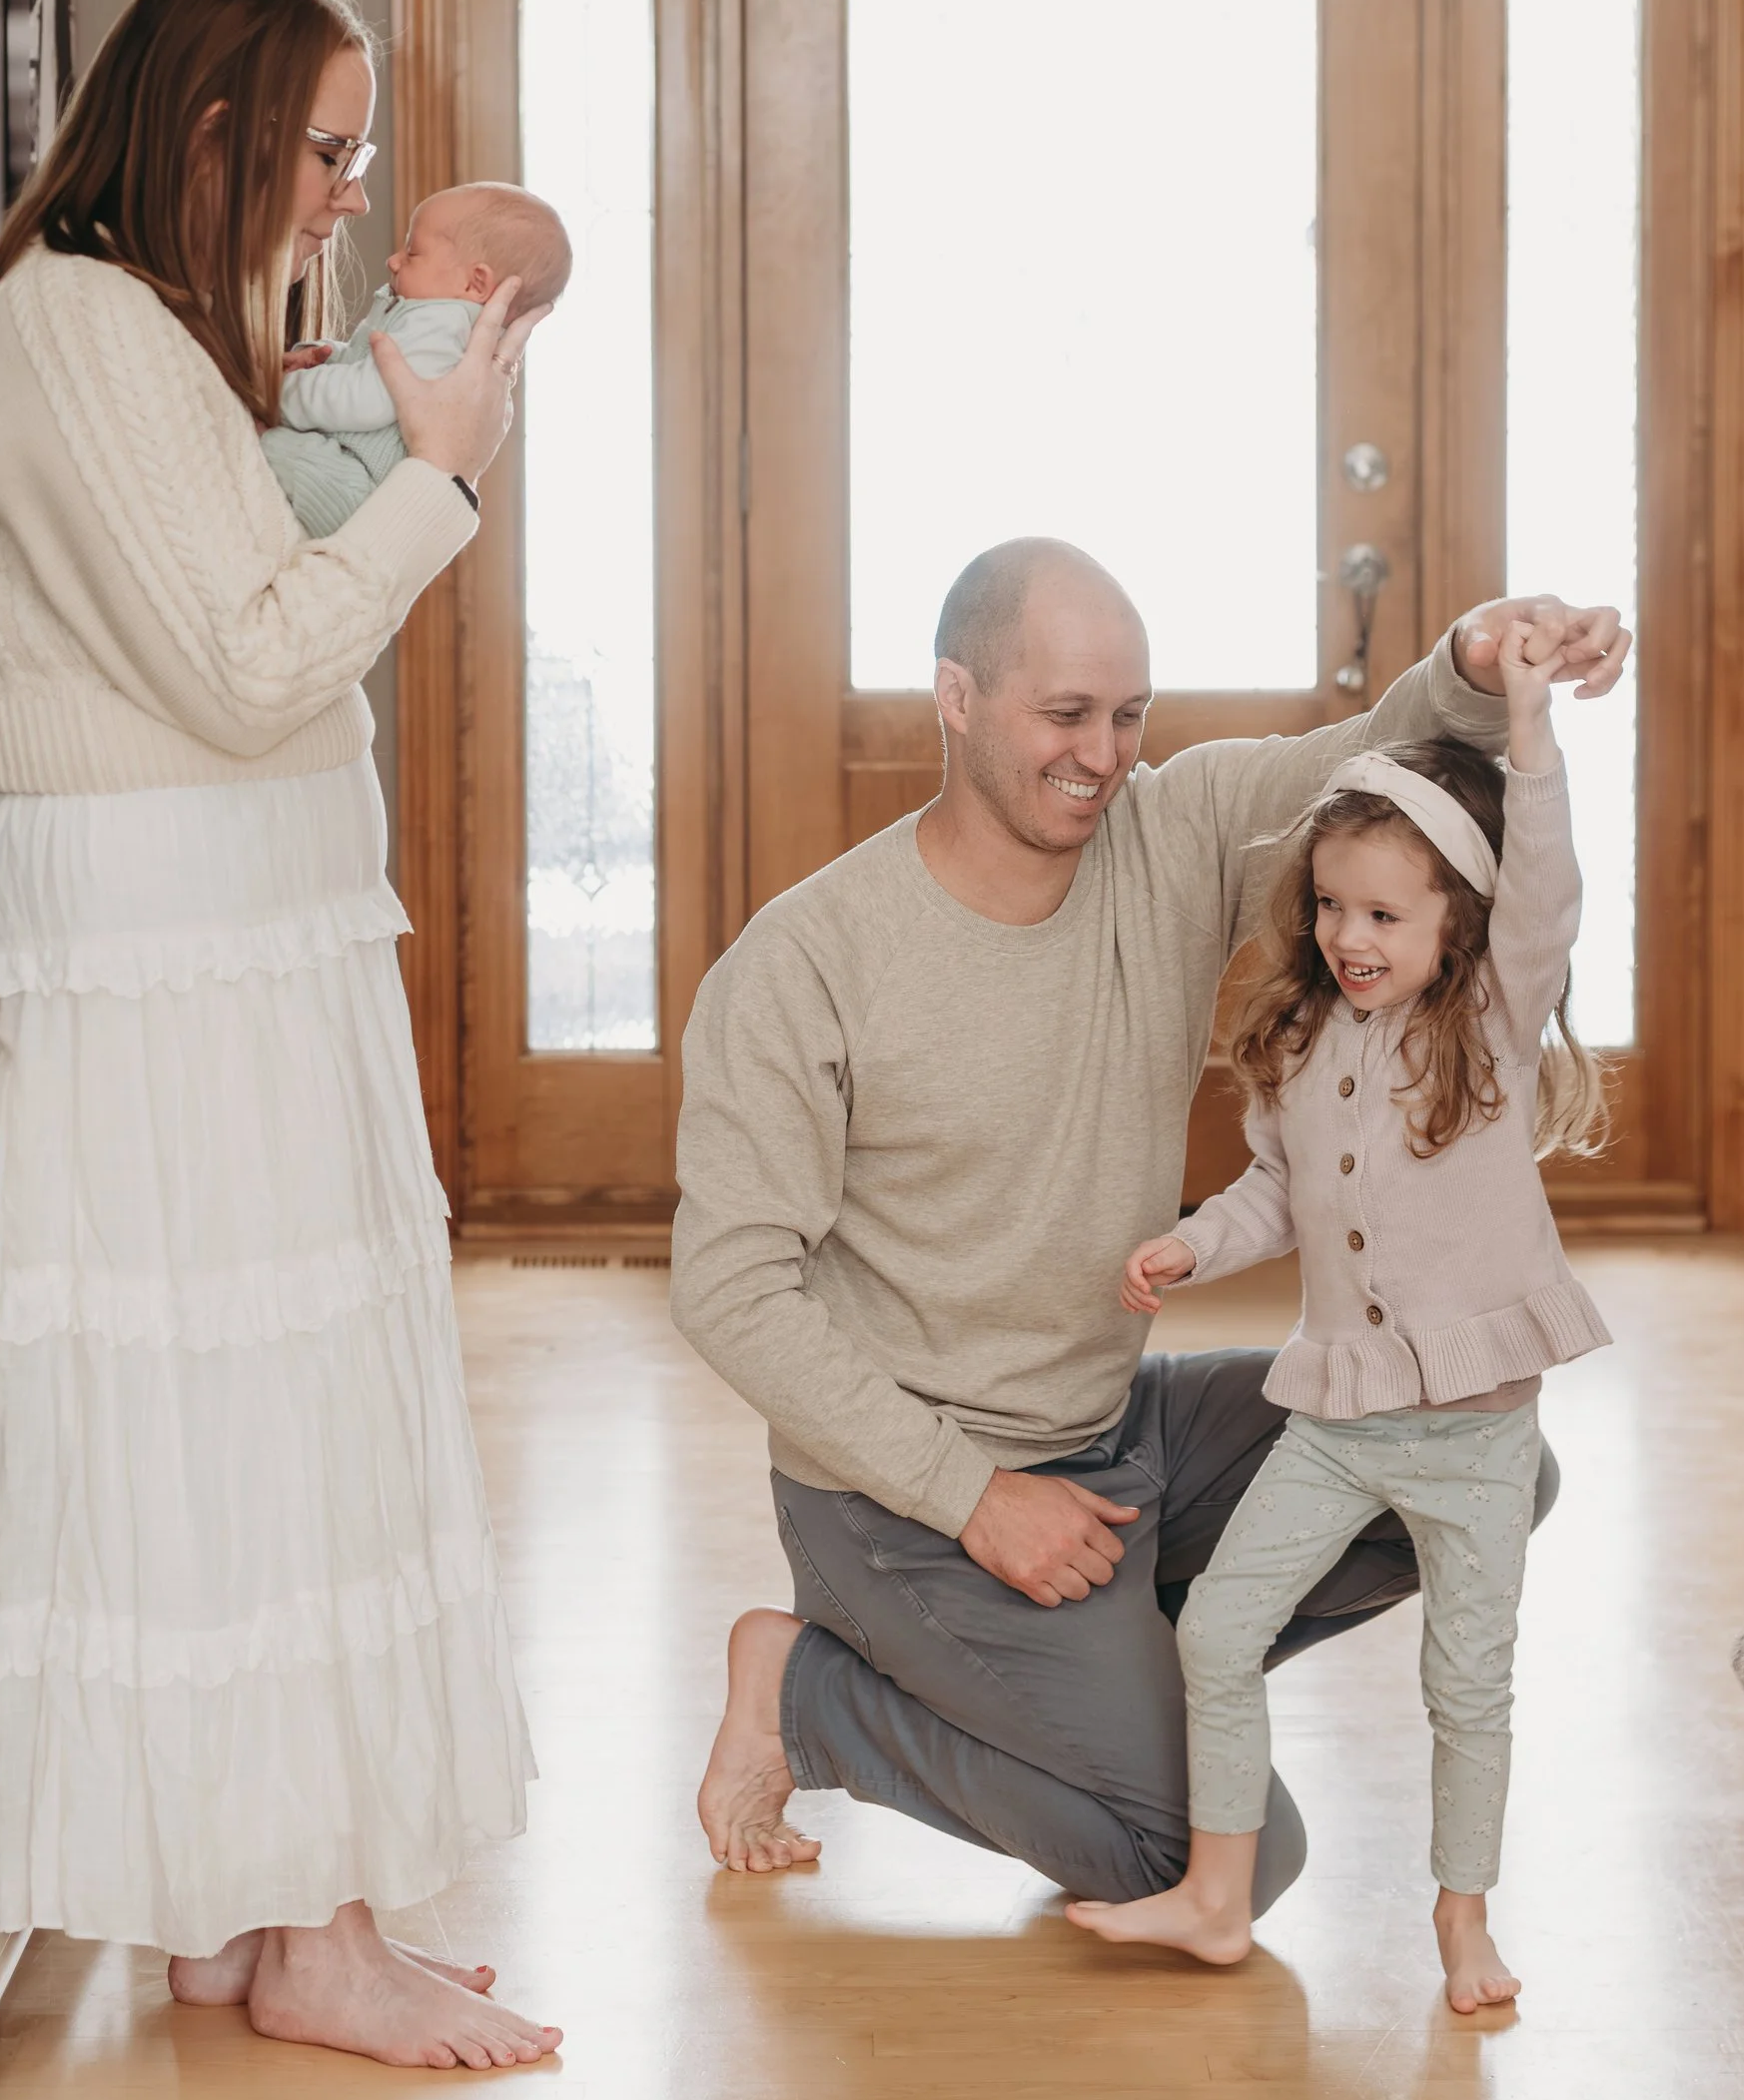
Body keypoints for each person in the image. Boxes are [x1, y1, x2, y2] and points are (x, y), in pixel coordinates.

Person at [0, 0, 560, 2072]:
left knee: (249, 1429)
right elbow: (256, 665)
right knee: (254, 1434)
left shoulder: (150, 338)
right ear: (211, 135)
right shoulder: (81, 336)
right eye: (324, 152)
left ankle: (254, 1907)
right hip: (171, 959)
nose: (348, 205)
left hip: (225, 940)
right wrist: (441, 477)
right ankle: (308, 1930)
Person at [671, 536, 1627, 1914]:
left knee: (1487, 1468)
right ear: (954, 696)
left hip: (1120, 1432)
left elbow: (1377, 752)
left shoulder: (1174, 835)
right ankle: (803, 1690)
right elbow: (729, 1290)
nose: (1103, 753)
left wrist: (1484, 661)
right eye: (1064, 714)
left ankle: (1119, 1673)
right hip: (903, 1502)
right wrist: (974, 1499)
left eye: (1128, 715)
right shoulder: (808, 961)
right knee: (1201, 1854)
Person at [1069, 615, 1605, 2009]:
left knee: (1465, 1690)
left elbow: (1545, 883)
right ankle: (1213, 1896)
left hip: (1477, 1435)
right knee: (1217, 1631)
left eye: (1386, 914)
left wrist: (1533, 732)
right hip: (1341, 1420)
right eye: (1332, 907)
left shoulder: (1485, 1019)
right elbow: (1272, 1193)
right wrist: (1191, 1245)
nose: (1350, 938)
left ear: (1458, 924)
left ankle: (1464, 1921)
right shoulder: (1302, 1043)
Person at [265, 181, 573, 538]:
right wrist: (326, 355)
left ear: (475, 283)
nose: (393, 260)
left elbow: (368, 398)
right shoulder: (435, 323)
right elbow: (373, 370)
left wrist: (278, 390)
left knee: (265, 442)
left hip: (353, 484)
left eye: (412, 252)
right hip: (351, 470)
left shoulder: (441, 326)